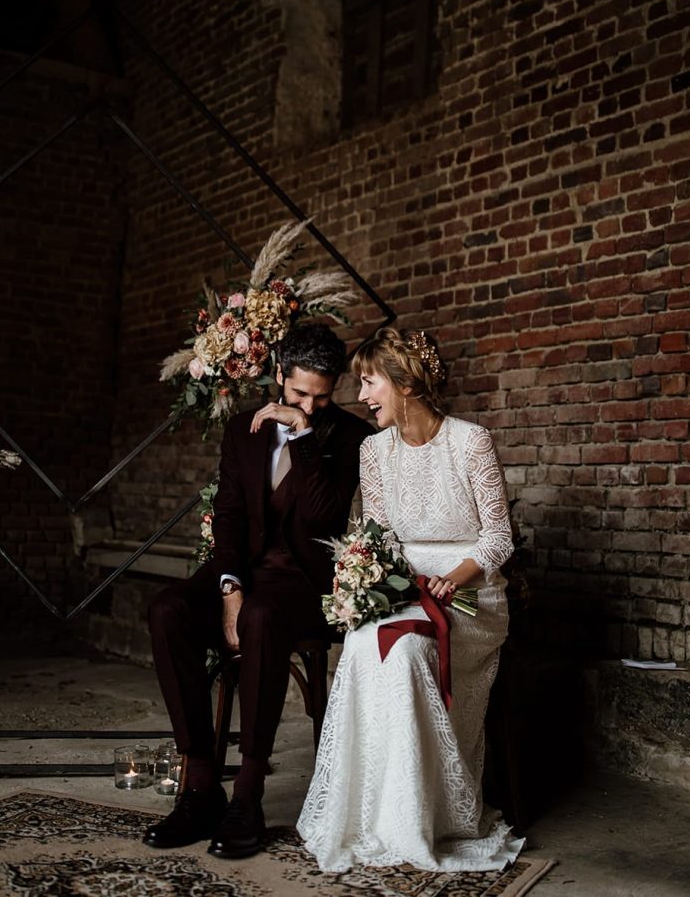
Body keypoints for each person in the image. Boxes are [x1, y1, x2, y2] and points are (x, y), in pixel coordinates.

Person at [297, 326, 524, 872]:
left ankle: (429, 815)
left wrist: (457, 576)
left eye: (369, 382)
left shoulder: (471, 441)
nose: (362, 396)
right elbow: (377, 536)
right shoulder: (373, 451)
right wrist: (372, 581)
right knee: (361, 646)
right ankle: (376, 815)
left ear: (403, 383)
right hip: (403, 588)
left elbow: (498, 537)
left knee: (402, 656)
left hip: (472, 595)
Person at [145, 322, 373, 860]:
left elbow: (322, 516)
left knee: (262, 617)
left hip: (303, 585)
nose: (310, 406)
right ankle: (201, 786)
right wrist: (228, 587)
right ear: (278, 376)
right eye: (298, 395)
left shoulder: (352, 437)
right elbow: (226, 514)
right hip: (243, 572)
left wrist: (305, 436)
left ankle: (248, 795)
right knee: (168, 610)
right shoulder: (241, 430)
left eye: (322, 396)